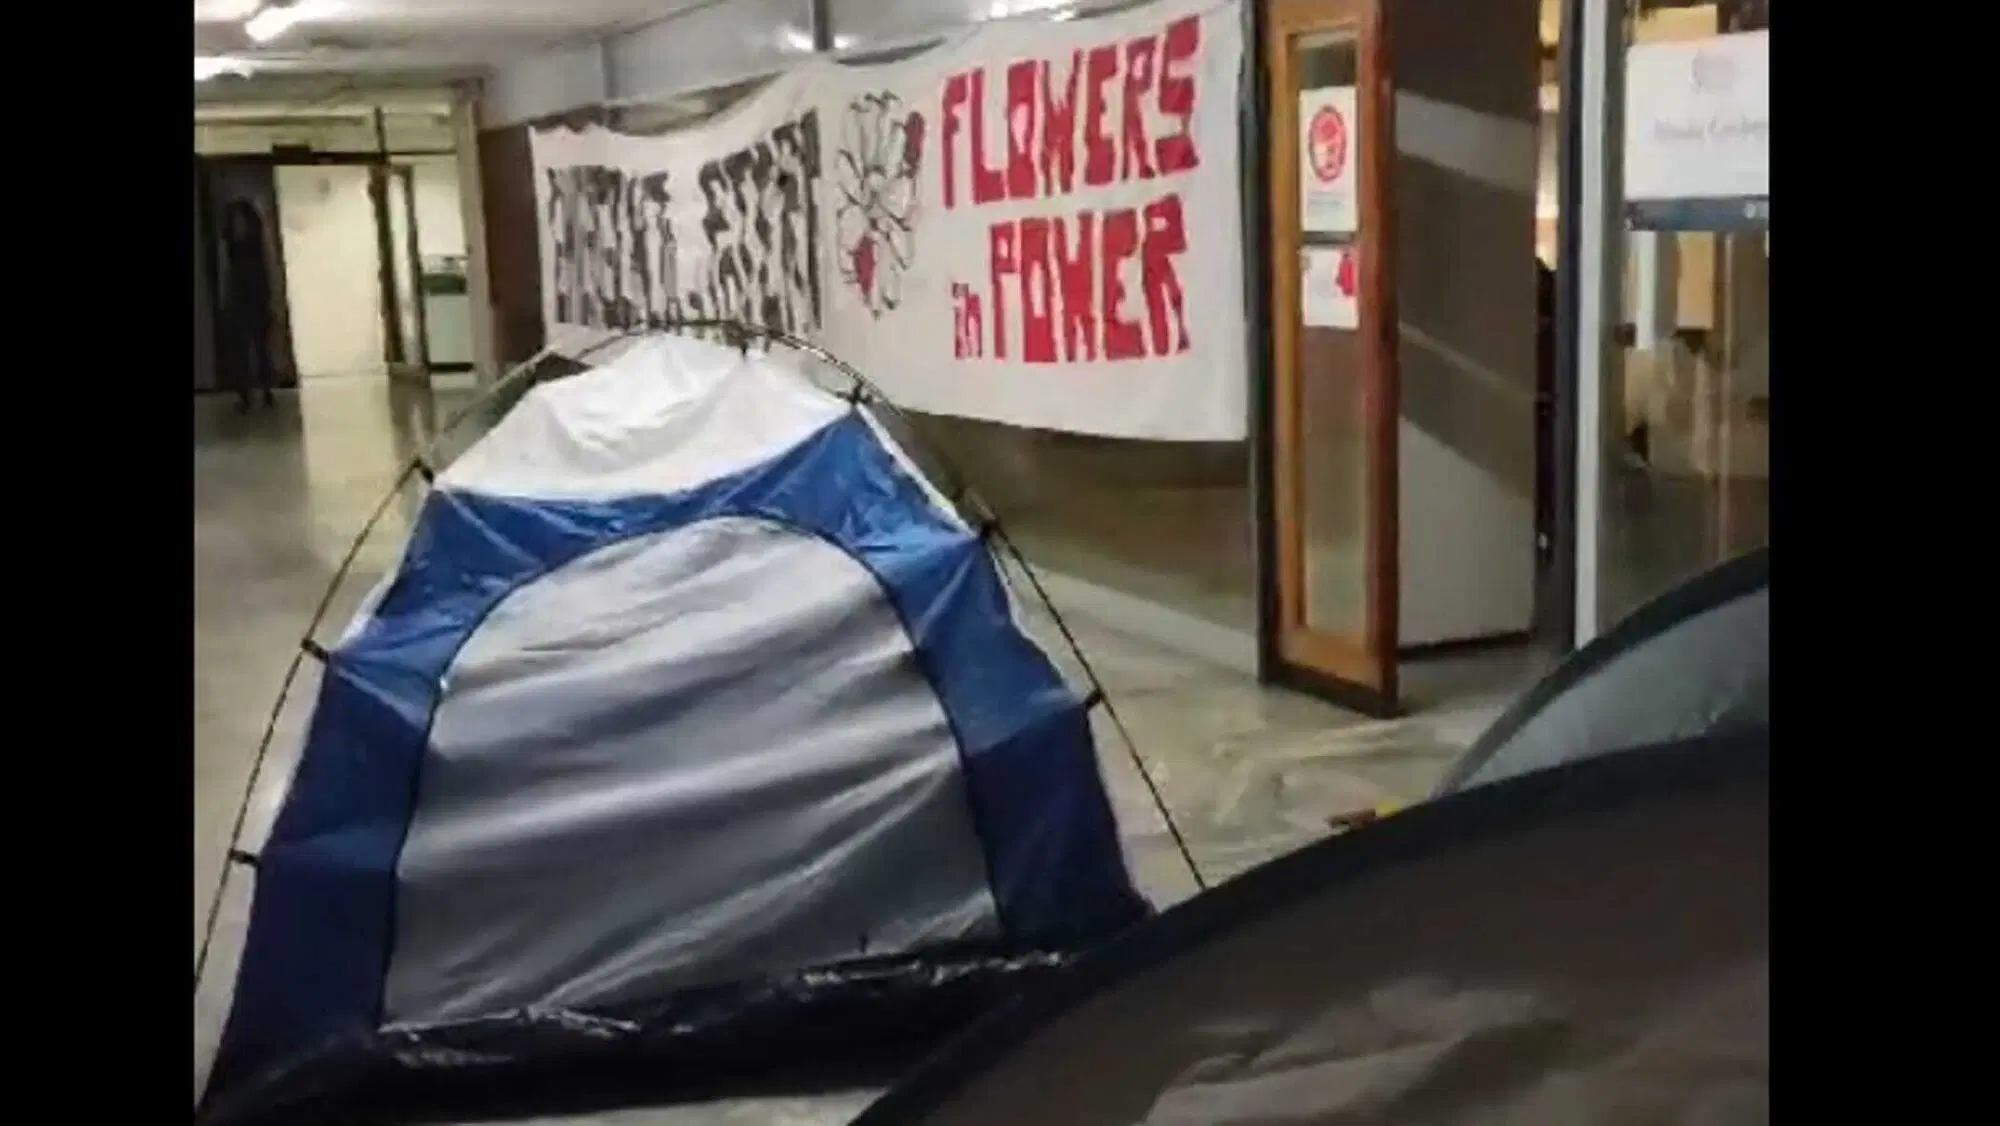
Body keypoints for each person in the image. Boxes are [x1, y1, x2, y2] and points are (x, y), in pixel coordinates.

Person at [220, 199, 278, 412]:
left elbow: (263, 277)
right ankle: (246, 393)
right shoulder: (233, 251)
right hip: (241, 300)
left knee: (261, 349)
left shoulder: (253, 252)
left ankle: (265, 390)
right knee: (241, 351)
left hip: (255, 299)